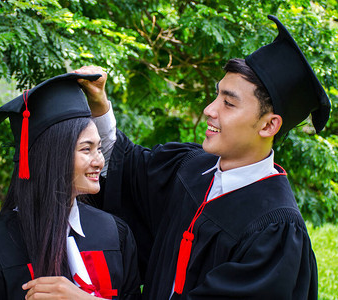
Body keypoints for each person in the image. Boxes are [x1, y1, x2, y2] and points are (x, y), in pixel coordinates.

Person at [73, 15, 330, 299]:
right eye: (216, 95)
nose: (210, 109)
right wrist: (99, 104)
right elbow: (125, 168)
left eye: (229, 103)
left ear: (269, 125)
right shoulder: (191, 167)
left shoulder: (276, 232)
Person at [0, 73, 141, 300]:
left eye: (99, 148)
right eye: (86, 149)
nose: (99, 161)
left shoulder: (114, 234)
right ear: (52, 156)